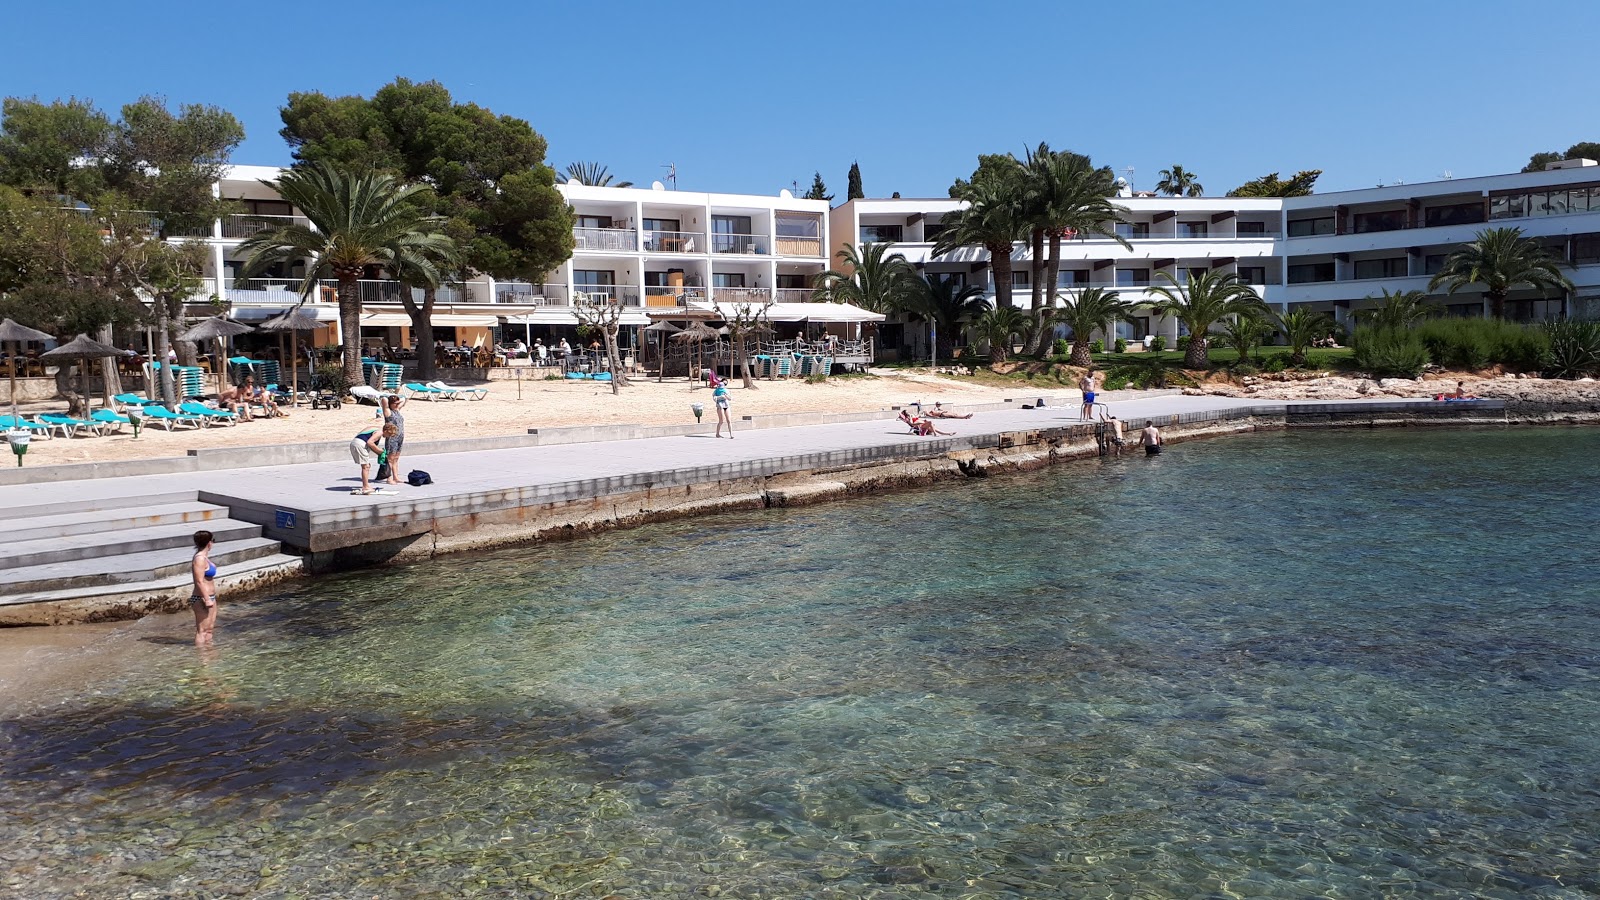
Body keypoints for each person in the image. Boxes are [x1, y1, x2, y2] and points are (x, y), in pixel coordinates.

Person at [350, 423, 396, 494]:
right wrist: (379, 451)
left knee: (366, 465)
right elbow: (370, 442)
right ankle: (365, 487)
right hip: (360, 444)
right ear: (386, 431)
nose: (388, 437)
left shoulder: (375, 428)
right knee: (366, 466)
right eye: (389, 435)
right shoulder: (380, 432)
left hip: (355, 442)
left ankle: (366, 485)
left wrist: (379, 453)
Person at [190, 530, 218, 646]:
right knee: (202, 631)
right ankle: (201, 658)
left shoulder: (204, 557)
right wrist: (207, 599)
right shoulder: (199, 559)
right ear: (209, 543)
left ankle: (208, 654)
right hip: (201, 597)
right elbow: (199, 581)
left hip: (210, 597)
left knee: (209, 629)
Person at [383, 395, 407, 484]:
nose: (397, 405)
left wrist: (398, 400)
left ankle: (396, 477)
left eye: (398, 403)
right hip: (392, 438)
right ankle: (389, 478)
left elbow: (404, 399)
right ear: (390, 404)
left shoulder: (397, 410)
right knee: (390, 458)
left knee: (396, 458)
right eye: (395, 404)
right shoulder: (388, 412)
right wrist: (389, 397)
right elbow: (384, 400)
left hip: (400, 437)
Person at [711, 373, 733, 438]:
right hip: (720, 406)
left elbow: (730, 398)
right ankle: (717, 434)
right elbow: (714, 398)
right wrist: (719, 397)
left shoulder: (726, 390)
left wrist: (725, 396)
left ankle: (731, 434)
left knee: (729, 420)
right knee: (721, 421)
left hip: (726, 405)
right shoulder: (716, 391)